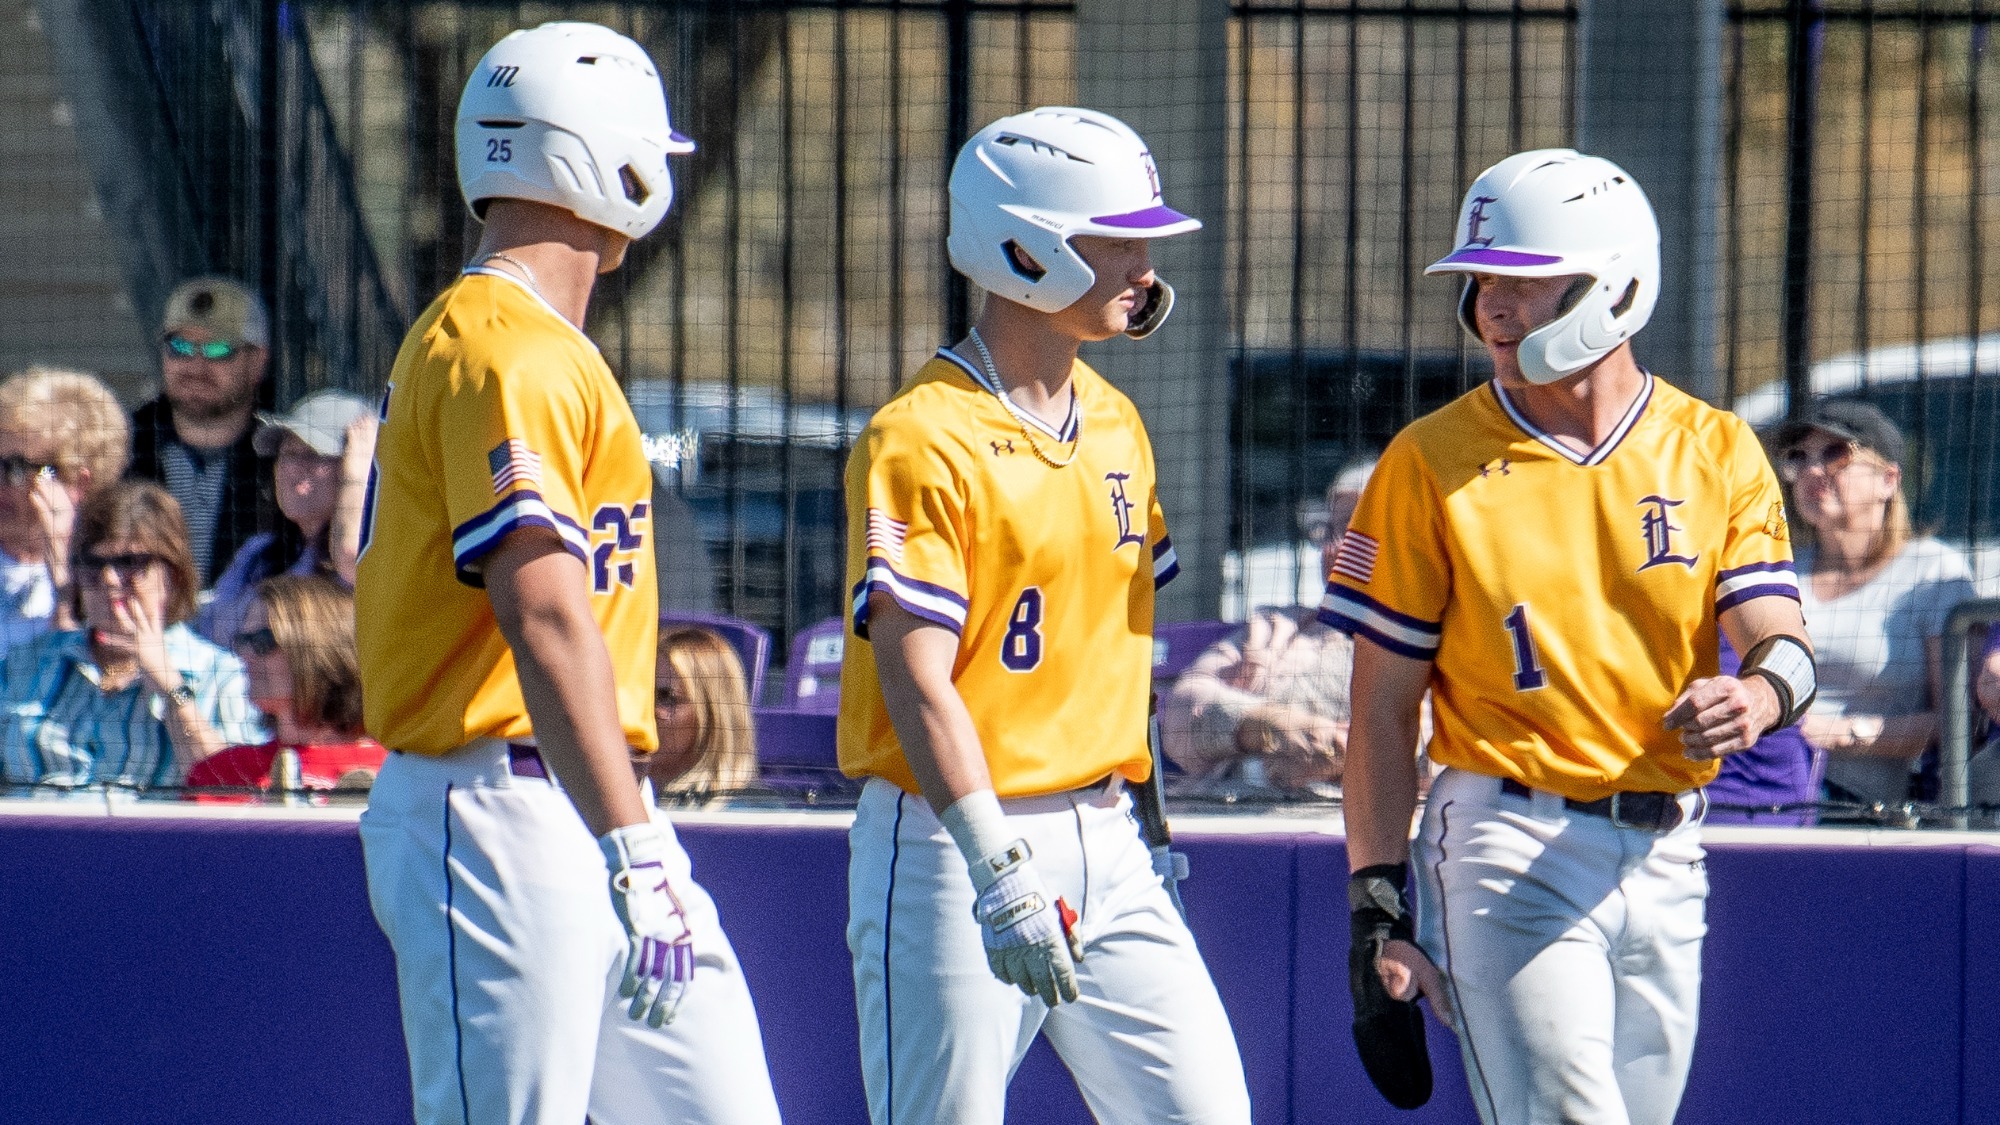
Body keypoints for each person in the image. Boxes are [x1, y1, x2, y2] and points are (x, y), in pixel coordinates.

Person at [1328, 149, 1816, 1123]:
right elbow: (1379, 710)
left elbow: (1783, 643)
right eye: (1479, 283)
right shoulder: (1424, 460)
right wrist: (1373, 909)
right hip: (1508, 838)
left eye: (1525, 279)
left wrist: (1757, 696)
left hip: (1670, 848)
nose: (1492, 307)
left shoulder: (1714, 447)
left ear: (1615, 281)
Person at [352, 23, 781, 1125]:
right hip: (492, 803)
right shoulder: (503, 346)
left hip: (585, 804)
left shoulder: (531, 342)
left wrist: (633, 840)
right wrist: (636, 844)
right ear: (599, 156)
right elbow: (543, 616)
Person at [837, 107, 1251, 1125]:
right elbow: (915, 676)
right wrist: (994, 867)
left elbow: (1113, 652)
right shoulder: (918, 435)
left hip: (1109, 836)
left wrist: (1142, 830)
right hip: (954, 844)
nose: (1142, 262)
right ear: (1020, 245)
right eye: (1115, 237)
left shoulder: (1115, 419)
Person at [1768, 400, 1974, 807]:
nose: (1812, 471)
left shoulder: (1932, 573)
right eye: (1798, 458)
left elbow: (1959, 724)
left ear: (1888, 480)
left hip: (1865, 811)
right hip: (1768, 791)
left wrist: (1830, 732)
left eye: (1835, 454)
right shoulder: (1780, 570)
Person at [0, 480, 261, 791]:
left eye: (130, 564)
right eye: (94, 564)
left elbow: (236, 794)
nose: (109, 579)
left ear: (172, 575)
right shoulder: (25, 664)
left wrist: (169, 686)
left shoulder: (221, 676)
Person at [1160, 460, 1374, 789]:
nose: (1335, 549)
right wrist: (1261, 724)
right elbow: (1181, 713)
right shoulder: (1275, 628)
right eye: (1331, 530)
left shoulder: (1439, 644)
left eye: (1356, 528)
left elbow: (1434, 752)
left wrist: (1343, 750)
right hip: (1226, 816)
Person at [195, 389, 376, 648]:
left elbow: (351, 555)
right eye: (289, 453)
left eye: (315, 454)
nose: (294, 469)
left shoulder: (375, 556)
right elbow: (208, 628)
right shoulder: (257, 553)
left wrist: (357, 479)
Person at [129, 276, 279, 586]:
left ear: (258, 361)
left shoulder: (282, 461)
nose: (195, 365)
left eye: (218, 349)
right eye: (180, 347)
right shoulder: (121, 447)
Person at [185, 574, 384, 799]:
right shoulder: (222, 772)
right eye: (243, 641)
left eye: (263, 640)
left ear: (320, 650)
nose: (245, 654)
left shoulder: (394, 771)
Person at [0, 367, 130, 650]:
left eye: (19, 468)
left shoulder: (112, 576)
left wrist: (62, 574)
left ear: (78, 483)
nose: (3, 482)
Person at [647, 625, 759, 801]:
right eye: (641, 694)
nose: (645, 710)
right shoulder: (605, 805)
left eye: (666, 697)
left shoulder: (754, 819)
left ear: (713, 714)